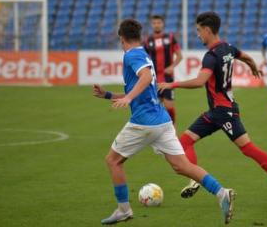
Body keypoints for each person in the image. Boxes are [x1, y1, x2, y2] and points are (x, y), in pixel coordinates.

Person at [93, 19, 235, 225]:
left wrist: (128, 99)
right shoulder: (143, 54)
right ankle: (222, 192)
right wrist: (108, 95)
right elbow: (141, 86)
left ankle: (123, 209)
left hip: (144, 123)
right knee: (182, 166)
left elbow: (145, 77)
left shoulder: (132, 55)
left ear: (121, 38)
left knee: (113, 161)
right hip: (162, 121)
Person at [158, 12, 267, 206]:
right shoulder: (228, 48)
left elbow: (200, 81)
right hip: (216, 112)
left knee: (248, 149)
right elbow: (244, 56)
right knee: (184, 141)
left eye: (198, 31)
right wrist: (253, 66)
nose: (198, 35)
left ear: (207, 29)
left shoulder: (211, 56)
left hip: (224, 112)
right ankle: (195, 177)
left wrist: (172, 85)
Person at [143, 15, 182, 126]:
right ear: (151, 25)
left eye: (159, 23)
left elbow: (179, 56)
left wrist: (172, 67)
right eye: (154, 23)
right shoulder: (147, 41)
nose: (156, 25)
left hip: (168, 79)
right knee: (154, 109)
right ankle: (157, 132)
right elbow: (144, 59)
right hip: (153, 80)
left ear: (163, 24)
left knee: (170, 107)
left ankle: (173, 130)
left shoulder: (170, 38)